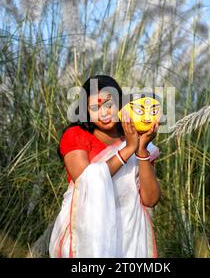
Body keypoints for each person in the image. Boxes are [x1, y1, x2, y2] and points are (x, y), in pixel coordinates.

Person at [48, 75, 161, 258]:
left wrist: (140, 149)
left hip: (129, 237)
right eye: (95, 107)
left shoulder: (136, 138)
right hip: (87, 235)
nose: (104, 113)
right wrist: (129, 148)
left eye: (109, 104)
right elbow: (87, 182)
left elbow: (150, 199)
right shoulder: (75, 136)